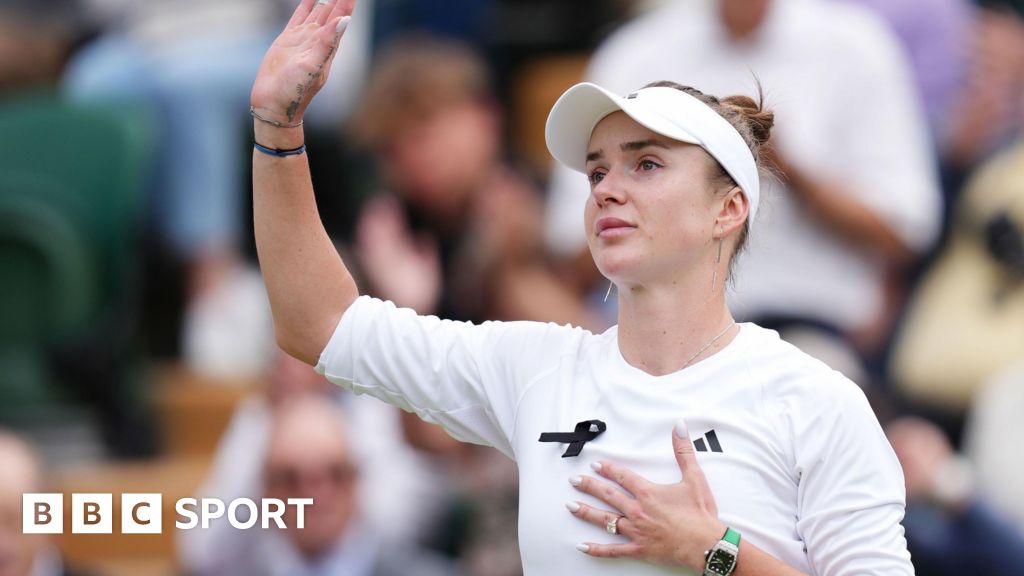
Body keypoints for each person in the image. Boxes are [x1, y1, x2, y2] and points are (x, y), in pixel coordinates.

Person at [249, 1, 911, 574]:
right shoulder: (536, 369)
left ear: (729, 209)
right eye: (596, 172)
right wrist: (278, 127)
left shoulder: (816, 401)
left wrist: (715, 551)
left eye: (646, 163)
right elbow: (318, 323)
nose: (607, 189)